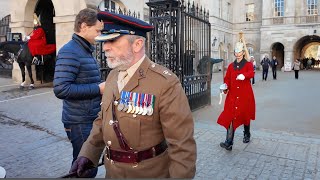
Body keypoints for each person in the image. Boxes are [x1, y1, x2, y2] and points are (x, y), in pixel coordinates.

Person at [69, 11, 197, 178]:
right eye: (104, 41)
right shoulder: (113, 76)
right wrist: (87, 153)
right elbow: (102, 120)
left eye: (112, 40)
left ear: (137, 44)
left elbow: (182, 147)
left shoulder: (165, 83)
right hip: (112, 173)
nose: (105, 47)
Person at [53, 8, 105, 178]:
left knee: (84, 165)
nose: (100, 34)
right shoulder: (70, 51)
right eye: (97, 30)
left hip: (86, 118)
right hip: (79, 122)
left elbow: (84, 80)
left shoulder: (83, 49)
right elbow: (61, 89)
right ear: (83, 26)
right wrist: (98, 88)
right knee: (85, 168)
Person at [217, 41, 256, 151]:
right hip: (233, 96)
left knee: (245, 115)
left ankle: (247, 134)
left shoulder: (248, 64)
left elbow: (252, 73)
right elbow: (227, 79)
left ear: (243, 52)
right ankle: (229, 142)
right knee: (230, 117)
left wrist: (245, 75)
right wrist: (225, 85)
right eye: (236, 52)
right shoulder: (230, 66)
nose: (237, 54)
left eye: (239, 52)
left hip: (245, 96)